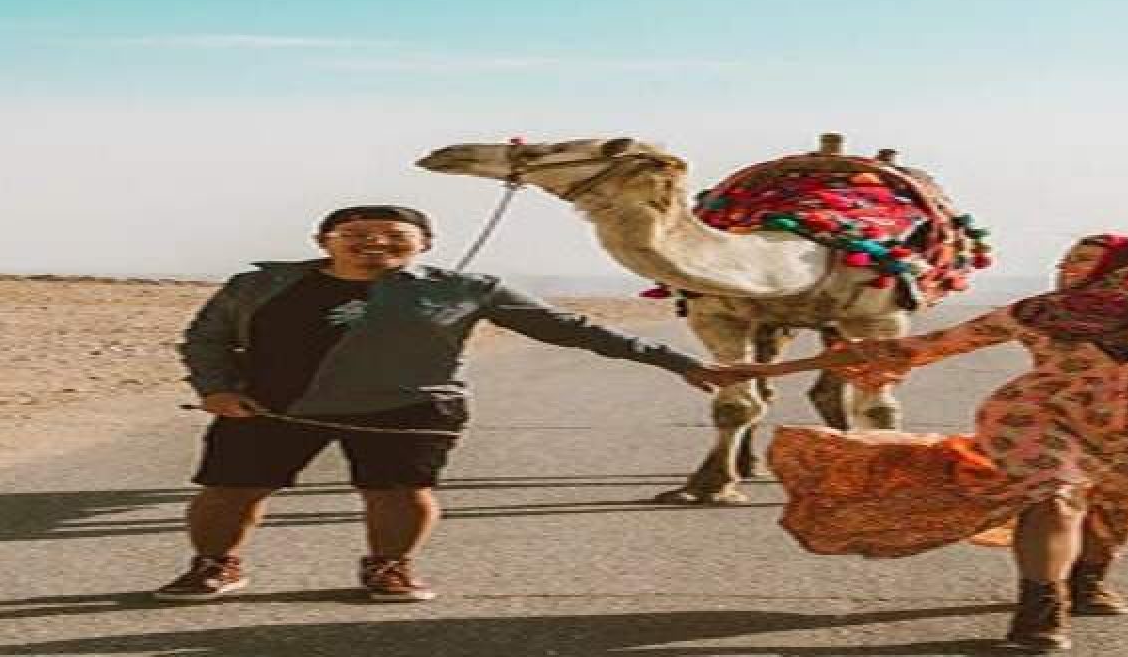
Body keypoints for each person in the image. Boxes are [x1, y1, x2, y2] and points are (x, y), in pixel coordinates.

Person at [723, 234, 1128, 651]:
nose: (1065, 269)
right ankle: (1041, 610)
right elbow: (916, 349)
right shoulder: (1035, 315)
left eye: (1082, 261)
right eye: (1065, 260)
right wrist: (758, 370)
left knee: (1117, 511)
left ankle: (1088, 580)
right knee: (1055, 495)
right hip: (1040, 420)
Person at [157, 204, 733, 603]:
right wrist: (215, 388)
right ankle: (214, 564)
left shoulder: (466, 289)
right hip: (269, 406)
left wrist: (680, 361)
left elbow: (573, 329)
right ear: (323, 241)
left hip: (408, 409)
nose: (374, 241)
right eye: (354, 232)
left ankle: (388, 567)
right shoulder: (258, 285)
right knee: (231, 489)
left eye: (393, 234)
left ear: (426, 244)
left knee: (399, 494)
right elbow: (205, 337)